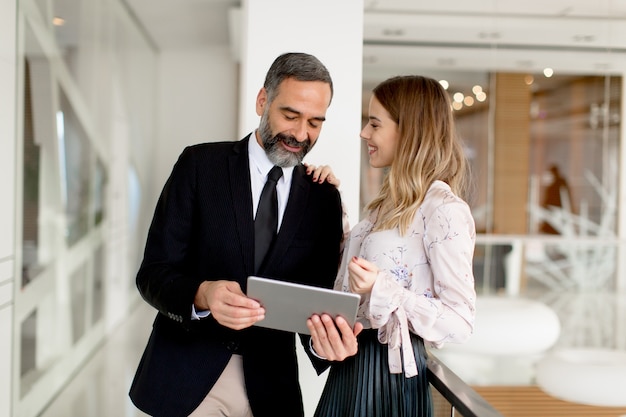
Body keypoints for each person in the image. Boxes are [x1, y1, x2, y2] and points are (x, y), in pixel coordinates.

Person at [129, 52, 361, 417]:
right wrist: (202, 294)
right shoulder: (199, 166)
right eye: (290, 116)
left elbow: (312, 303)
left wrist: (325, 342)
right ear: (262, 101)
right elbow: (153, 272)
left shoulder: (324, 199)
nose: (301, 135)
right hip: (185, 379)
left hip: (271, 389)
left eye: (315, 122)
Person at [307, 75, 477, 417]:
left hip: (389, 380)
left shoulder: (444, 209)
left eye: (374, 124)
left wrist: (384, 289)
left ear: (410, 131)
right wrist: (329, 201)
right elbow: (347, 282)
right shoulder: (383, 207)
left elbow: (460, 321)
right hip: (349, 371)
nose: (364, 133)